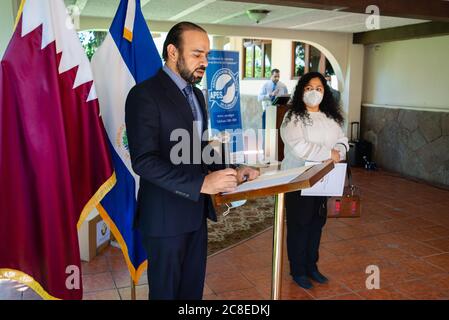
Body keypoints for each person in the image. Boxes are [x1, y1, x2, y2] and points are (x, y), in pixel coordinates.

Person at [125, 22, 259, 300]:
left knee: (191, 292)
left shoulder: (196, 94)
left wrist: (234, 168)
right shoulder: (144, 95)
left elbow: (197, 147)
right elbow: (144, 161)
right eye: (197, 54)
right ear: (173, 52)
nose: (205, 62)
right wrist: (201, 182)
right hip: (164, 219)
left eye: (207, 55)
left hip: (196, 215)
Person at [280, 71, 348, 289]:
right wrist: (330, 154)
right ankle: (297, 270)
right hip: (298, 178)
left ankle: (312, 266)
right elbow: (300, 147)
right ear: (301, 90)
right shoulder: (293, 117)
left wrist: (339, 150)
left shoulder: (332, 118)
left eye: (319, 88)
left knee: (316, 224)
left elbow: (343, 140)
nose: (314, 92)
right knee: (299, 225)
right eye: (309, 88)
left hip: (324, 178)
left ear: (325, 92)